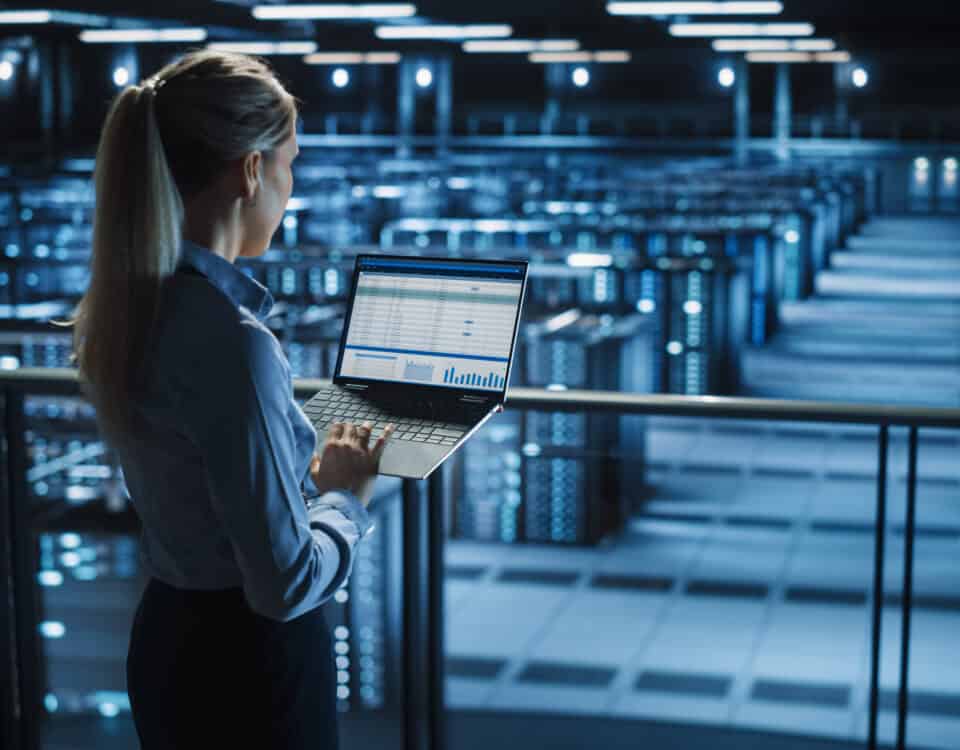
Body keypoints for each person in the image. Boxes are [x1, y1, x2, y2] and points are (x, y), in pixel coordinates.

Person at [64, 50, 392, 748]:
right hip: (248, 670)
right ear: (250, 170)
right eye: (290, 163)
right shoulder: (231, 342)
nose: (291, 188)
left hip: (170, 639)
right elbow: (284, 585)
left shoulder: (127, 312)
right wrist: (345, 498)